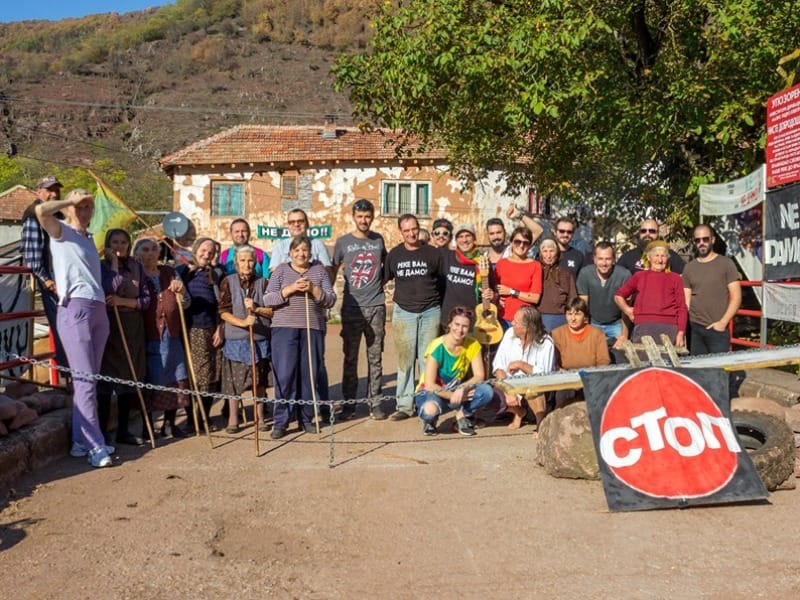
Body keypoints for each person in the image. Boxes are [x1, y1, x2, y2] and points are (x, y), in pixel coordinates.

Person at [35, 189, 113, 468]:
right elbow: (41, 212)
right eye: (80, 206)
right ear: (68, 209)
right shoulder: (61, 231)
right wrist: (70, 201)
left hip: (98, 307)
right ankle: (95, 445)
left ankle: (81, 442)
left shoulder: (89, 239)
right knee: (84, 380)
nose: (83, 210)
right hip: (74, 309)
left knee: (89, 380)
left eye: (88, 206)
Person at [264, 235, 337, 438]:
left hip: (311, 328)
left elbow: (331, 299)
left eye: (304, 250)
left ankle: (306, 418)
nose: (301, 254)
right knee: (285, 375)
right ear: (290, 253)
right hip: (284, 328)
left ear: (310, 252)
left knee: (309, 375)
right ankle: (281, 422)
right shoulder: (281, 270)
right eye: (296, 250)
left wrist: (314, 289)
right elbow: (268, 298)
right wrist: (290, 289)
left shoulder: (319, 271)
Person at [331, 199, 388, 420]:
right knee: (350, 357)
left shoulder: (378, 240)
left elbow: (386, 266)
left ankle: (375, 402)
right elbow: (333, 269)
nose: (364, 220)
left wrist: (379, 287)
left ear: (372, 217)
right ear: (353, 217)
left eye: (367, 216)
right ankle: (349, 404)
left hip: (376, 306)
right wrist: (328, 297)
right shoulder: (343, 242)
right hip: (352, 308)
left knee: (375, 357)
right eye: (360, 216)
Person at [384, 214, 445, 420]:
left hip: (430, 312)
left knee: (428, 360)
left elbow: (443, 282)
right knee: (405, 362)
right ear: (400, 232)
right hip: (404, 313)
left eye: (414, 229)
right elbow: (382, 280)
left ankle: (428, 402)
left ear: (419, 229)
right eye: (406, 230)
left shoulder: (432, 254)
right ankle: (404, 405)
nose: (411, 233)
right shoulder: (394, 255)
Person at [98, 229, 151, 446]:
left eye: (123, 242)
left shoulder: (137, 267)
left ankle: (123, 430)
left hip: (131, 326)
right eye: (115, 242)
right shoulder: (100, 266)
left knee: (129, 378)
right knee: (106, 379)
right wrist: (112, 265)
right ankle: (101, 431)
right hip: (109, 325)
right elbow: (108, 287)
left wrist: (125, 302)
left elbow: (146, 299)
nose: (119, 246)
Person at [134, 237, 191, 438]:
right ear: (137, 254)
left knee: (175, 377)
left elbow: (186, 303)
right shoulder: (135, 274)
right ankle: (147, 426)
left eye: (153, 250)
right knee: (150, 379)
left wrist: (182, 290)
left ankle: (169, 424)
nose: (150, 253)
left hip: (171, 334)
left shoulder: (170, 272)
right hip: (147, 335)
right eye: (145, 249)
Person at [414, 306, 494, 436]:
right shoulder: (437, 346)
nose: (459, 329)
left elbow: (480, 375)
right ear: (450, 324)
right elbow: (429, 384)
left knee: (486, 391)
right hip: (432, 391)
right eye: (457, 324)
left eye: (464, 326)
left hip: (456, 389)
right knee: (429, 410)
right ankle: (431, 421)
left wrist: (463, 388)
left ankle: (461, 416)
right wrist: (453, 396)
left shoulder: (473, 344)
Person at [218, 246, 272, 433]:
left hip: (259, 338)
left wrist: (256, 309)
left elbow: (273, 311)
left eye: (250, 260)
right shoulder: (228, 281)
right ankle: (234, 418)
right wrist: (242, 322)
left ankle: (260, 417)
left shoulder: (264, 283)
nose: (246, 264)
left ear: (255, 263)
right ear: (236, 263)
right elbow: (223, 311)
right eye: (242, 260)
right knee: (235, 381)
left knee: (259, 381)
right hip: (236, 339)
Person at [175, 237, 225, 430]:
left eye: (211, 252)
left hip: (213, 328)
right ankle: (193, 419)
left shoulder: (217, 273)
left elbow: (222, 303)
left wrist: (221, 327)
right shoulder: (182, 272)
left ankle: (204, 416)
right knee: (195, 376)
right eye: (203, 250)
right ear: (195, 250)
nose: (207, 254)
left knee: (213, 374)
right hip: (192, 329)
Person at [21, 175, 68, 370]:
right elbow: (31, 251)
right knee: (62, 326)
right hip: (52, 277)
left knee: (69, 324)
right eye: (49, 189)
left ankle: (72, 375)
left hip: (63, 274)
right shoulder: (34, 213)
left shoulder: (57, 215)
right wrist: (46, 279)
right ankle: (68, 375)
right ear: (38, 191)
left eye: (56, 189)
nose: (53, 193)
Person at [491, 306, 556, 430]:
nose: (512, 323)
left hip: (534, 388)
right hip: (510, 386)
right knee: (487, 395)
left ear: (527, 328)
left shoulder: (546, 343)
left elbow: (545, 377)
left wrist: (522, 365)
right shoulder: (510, 333)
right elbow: (498, 367)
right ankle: (518, 412)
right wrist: (508, 391)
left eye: (516, 322)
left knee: (534, 388)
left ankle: (541, 427)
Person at [614, 240, 688, 346]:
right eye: (656, 255)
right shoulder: (639, 277)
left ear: (667, 259)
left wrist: (681, 333)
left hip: (669, 327)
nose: (660, 259)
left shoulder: (675, 278)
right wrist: (628, 310)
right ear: (649, 258)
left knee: (666, 361)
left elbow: (682, 308)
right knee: (643, 361)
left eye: (663, 256)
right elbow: (619, 295)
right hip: (643, 327)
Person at [682, 224, 742, 354]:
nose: (702, 243)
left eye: (705, 239)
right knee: (699, 371)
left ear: (713, 240)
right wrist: (682, 328)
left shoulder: (726, 264)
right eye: (698, 240)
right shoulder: (689, 268)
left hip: (717, 330)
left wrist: (722, 323)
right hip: (695, 329)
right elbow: (686, 301)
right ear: (694, 242)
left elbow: (736, 297)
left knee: (719, 371)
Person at [551, 298, 611, 407]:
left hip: (591, 377)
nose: (573, 318)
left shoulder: (597, 334)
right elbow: (554, 363)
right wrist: (568, 377)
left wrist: (591, 377)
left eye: (577, 314)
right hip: (566, 377)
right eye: (569, 314)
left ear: (585, 316)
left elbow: (604, 360)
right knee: (563, 397)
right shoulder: (556, 334)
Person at [576, 241, 631, 348]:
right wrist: (584, 330)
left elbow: (626, 308)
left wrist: (624, 335)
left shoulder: (624, 275)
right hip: (593, 323)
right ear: (594, 259)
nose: (604, 263)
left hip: (616, 324)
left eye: (608, 259)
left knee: (619, 358)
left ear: (614, 259)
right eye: (600, 259)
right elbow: (584, 305)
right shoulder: (585, 274)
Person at [440, 223, 492, 331]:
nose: (464, 240)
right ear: (456, 240)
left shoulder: (483, 262)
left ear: (474, 238)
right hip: (448, 320)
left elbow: (491, 290)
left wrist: (492, 294)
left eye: (468, 236)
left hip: (471, 320)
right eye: (460, 236)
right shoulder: (447, 257)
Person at [494, 226, 542, 325]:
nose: (521, 245)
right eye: (517, 241)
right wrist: (496, 298)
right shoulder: (501, 263)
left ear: (529, 246)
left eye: (525, 243)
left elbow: (535, 298)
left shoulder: (535, 266)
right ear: (511, 243)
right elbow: (494, 289)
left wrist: (511, 291)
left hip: (524, 320)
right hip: (502, 318)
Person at [269, 208, 332, 277]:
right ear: (288, 226)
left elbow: (328, 274)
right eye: (292, 222)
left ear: (307, 224)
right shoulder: (280, 246)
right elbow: (273, 274)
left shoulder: (318, 244)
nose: (296, 224)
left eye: (300, 221)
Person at [618, 218, 685, 274]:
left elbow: (685, 277)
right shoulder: (628, 257)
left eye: (652, 231)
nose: (647, 234)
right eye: (643, 231)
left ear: (658, 234)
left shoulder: (671, 256)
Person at [538, 237, 577, 332]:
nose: (548, 255)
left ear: (557, 253)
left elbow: (572, 298)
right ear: (540, 254)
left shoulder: (566, 273)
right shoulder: (536, 271)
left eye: (551, 251)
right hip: (540, 317)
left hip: (561, 317)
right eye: (545, 251)